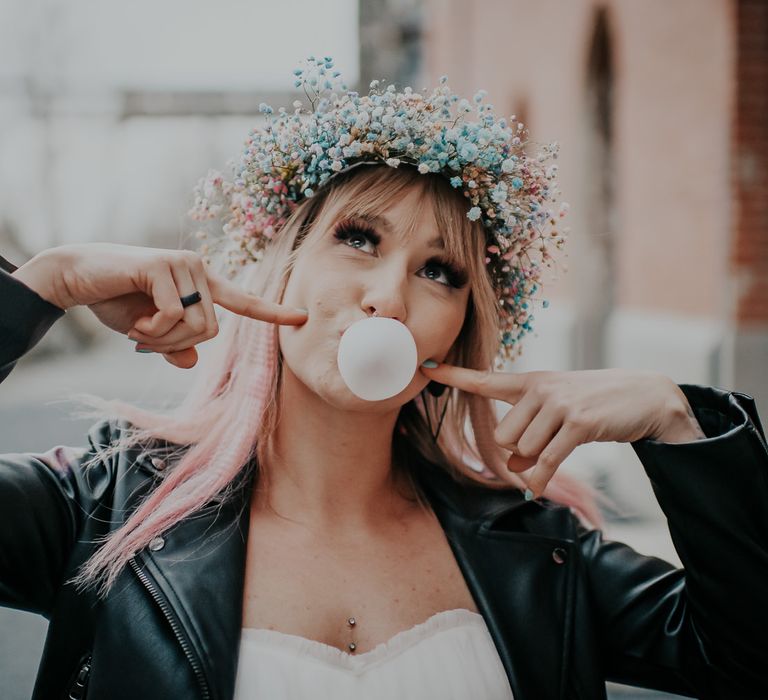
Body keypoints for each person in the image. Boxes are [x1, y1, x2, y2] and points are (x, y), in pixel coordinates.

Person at [1, 56, 767, 700]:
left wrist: (679, 419)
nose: (391, 296)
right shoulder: (100, 507)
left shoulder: (539, 550)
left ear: (457, 332)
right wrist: (47, 283)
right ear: (285, 265)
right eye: (359, 238)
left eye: (440, 271)